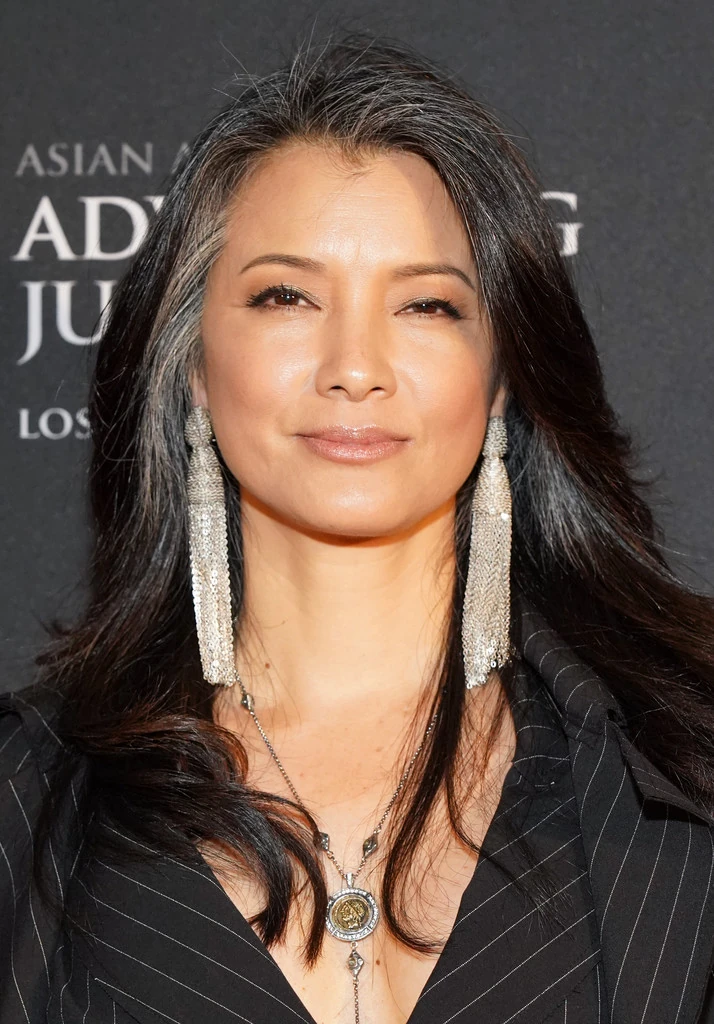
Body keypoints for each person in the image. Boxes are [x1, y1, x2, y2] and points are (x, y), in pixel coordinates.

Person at [2, 30, 714, 1024]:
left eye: (426, 305)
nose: (354, 366)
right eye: (286, 296)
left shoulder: (678, 762)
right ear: (195, 364)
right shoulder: (29, 797)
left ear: (502, 377)